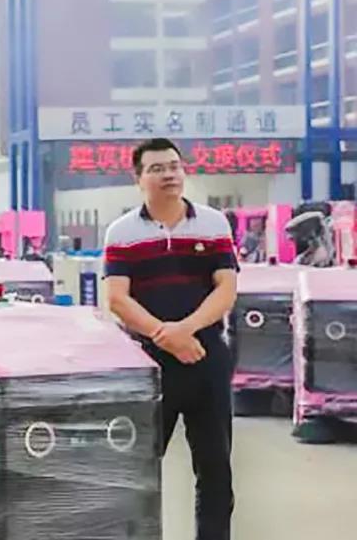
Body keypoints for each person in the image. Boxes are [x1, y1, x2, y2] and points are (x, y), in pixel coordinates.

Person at [103, 138, 238, 540]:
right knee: (138, 468)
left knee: (215, 470)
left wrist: (185, 330)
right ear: (139, 178)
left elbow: (226, 290)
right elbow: (117, 299)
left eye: (174, 166)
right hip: (148, 364)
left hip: (206, 356)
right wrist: (164, 336)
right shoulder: (122, 232)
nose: (169, 175)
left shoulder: (213, 224)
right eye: (157, 168)